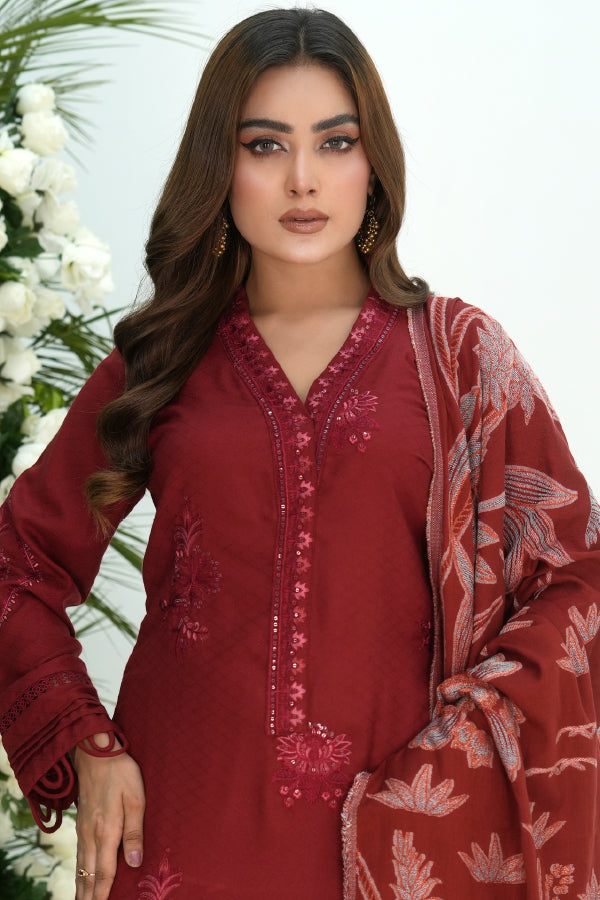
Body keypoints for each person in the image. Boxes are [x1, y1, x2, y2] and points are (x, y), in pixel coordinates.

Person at [0, 7, 598, 899]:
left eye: (335, 142)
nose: (304, 180)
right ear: (221, 164)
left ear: (373, 162)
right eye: (266, 145)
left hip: (400, 848)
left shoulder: (460, 358)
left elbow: (576, 579)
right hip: (177, 837)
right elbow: (17, 566)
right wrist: (87, 744)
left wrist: (459, 756)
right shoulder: (163, 358)